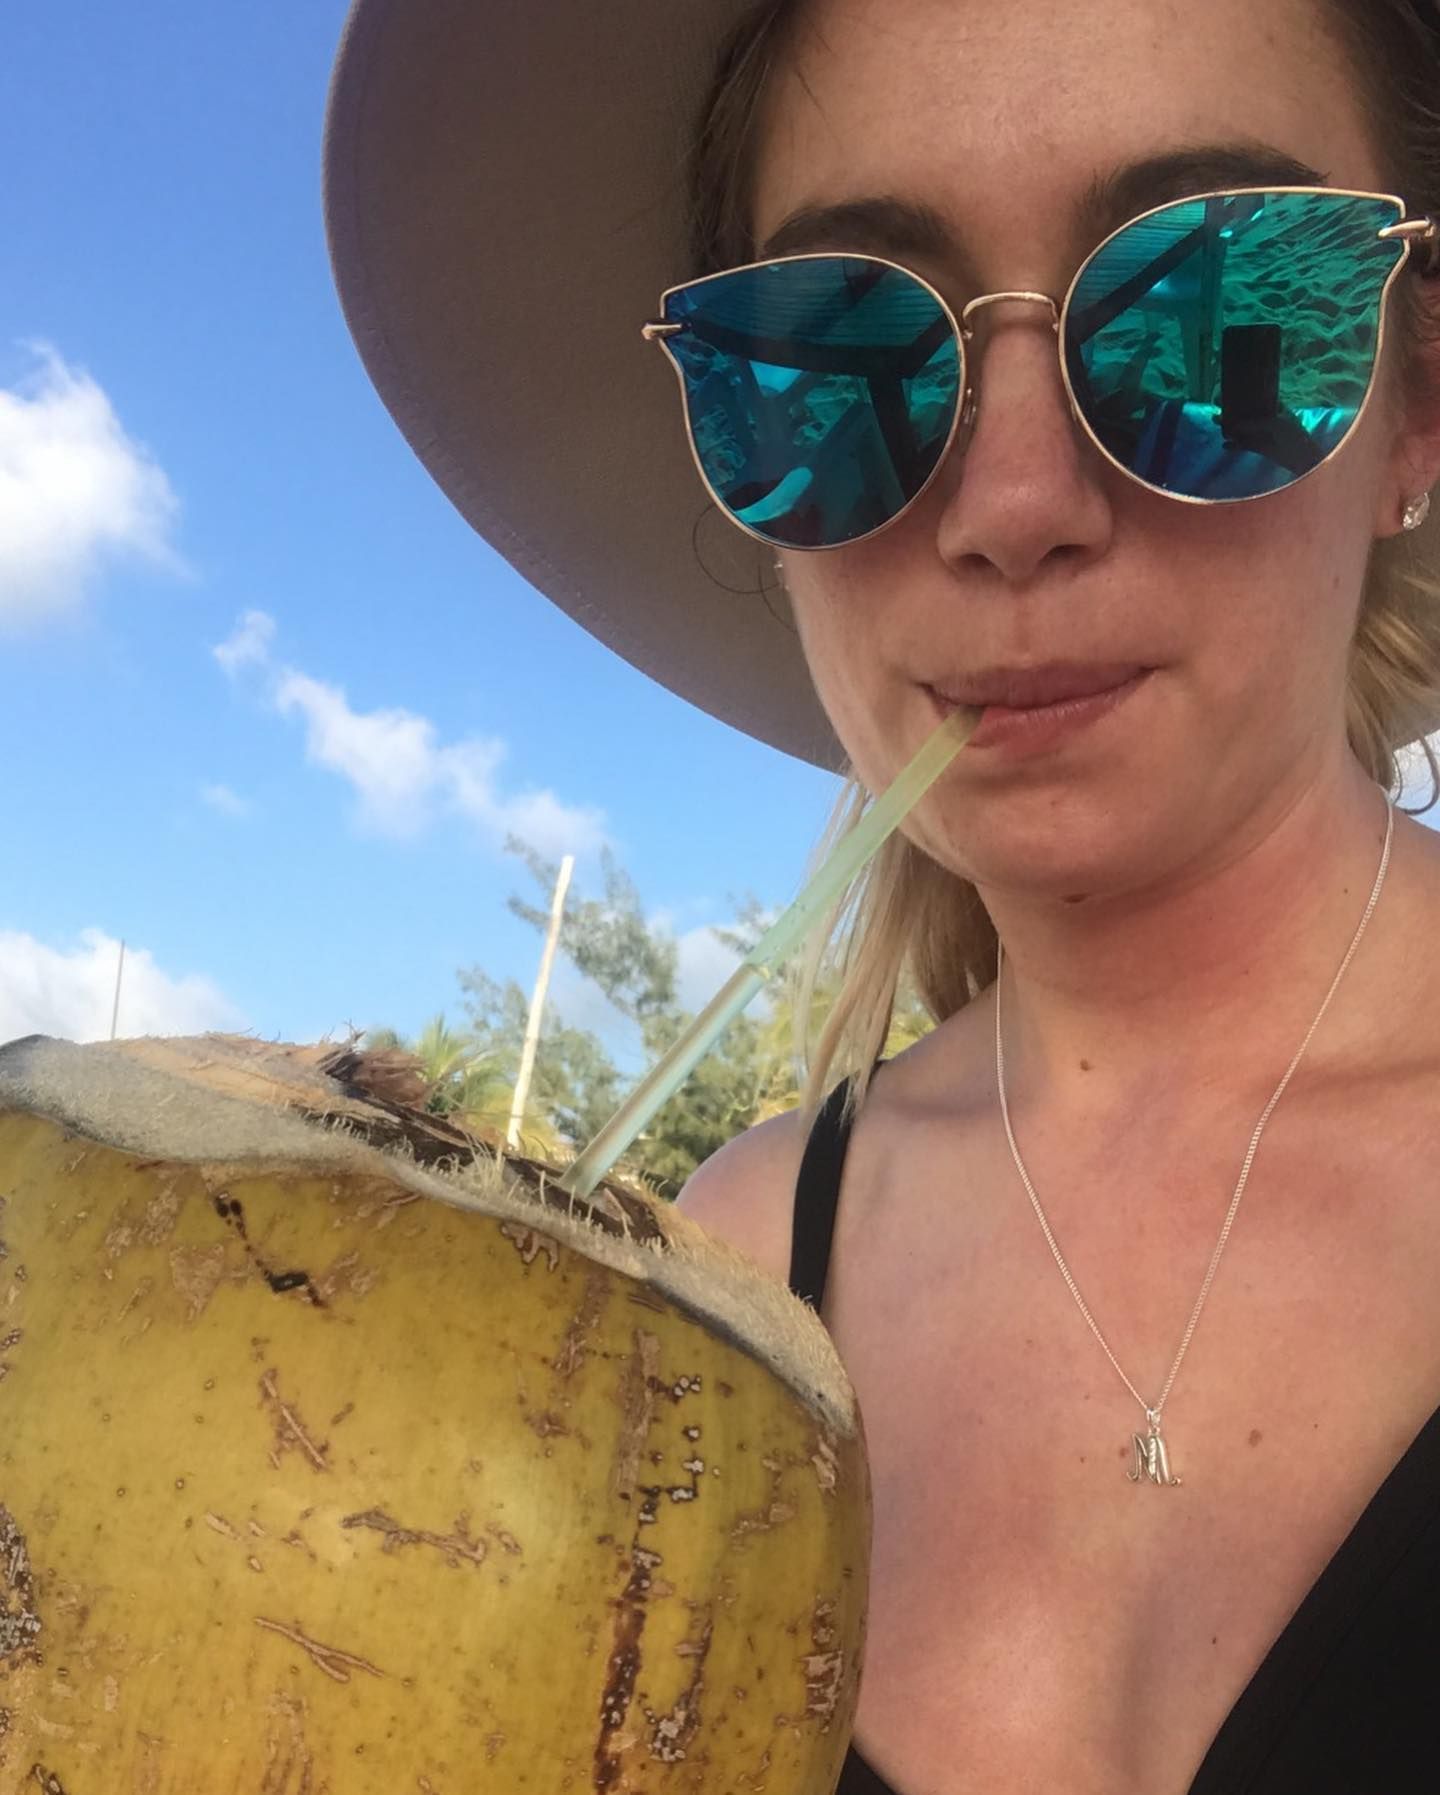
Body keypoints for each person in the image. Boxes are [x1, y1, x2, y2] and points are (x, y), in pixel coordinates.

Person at [324, 0, 1440, 1787]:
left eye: (1212, 317)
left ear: (1412, 414)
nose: (1013, 502)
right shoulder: (738, 1272)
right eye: (836, 367)